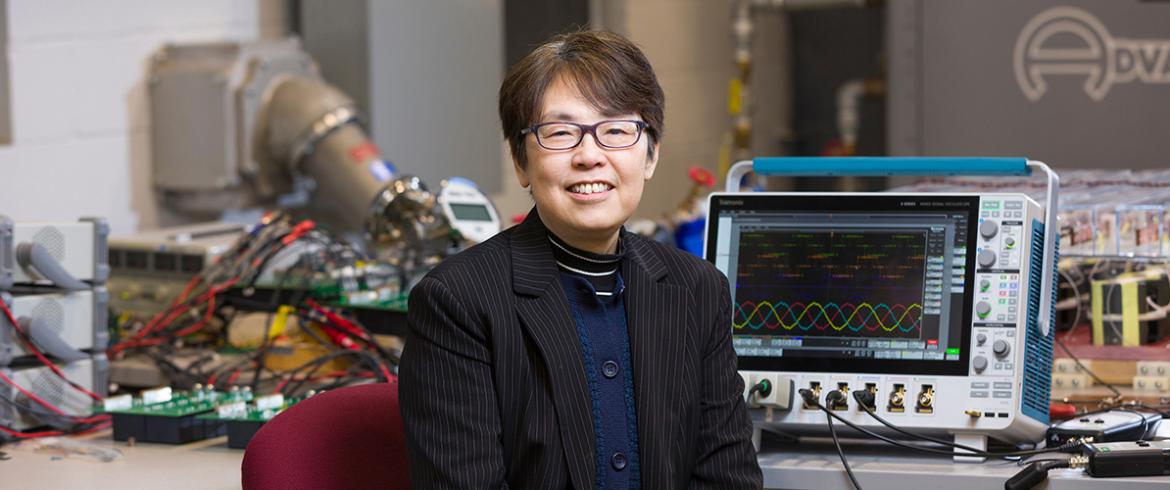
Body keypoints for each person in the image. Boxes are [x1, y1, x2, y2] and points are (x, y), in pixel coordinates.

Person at [398, 30, 762, 489]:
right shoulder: (457, 301)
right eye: (560, 133)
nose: (590, 155)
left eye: (615, 131)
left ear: (650, 155)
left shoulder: (697, 289)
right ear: (520, 161)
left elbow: (727, 478)